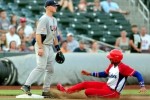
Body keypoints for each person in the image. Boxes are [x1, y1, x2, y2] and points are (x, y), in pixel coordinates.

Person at [57, 49, 147, 98]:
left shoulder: (123, 67)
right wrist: (90, 74)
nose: (109, 58)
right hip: (106, 86)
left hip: (113, 93)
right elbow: (104, 74)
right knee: (85, 84)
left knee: (88, 92)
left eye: (111, 57)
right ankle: (66, 92)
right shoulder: (112, 65)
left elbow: (138, 74)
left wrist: (142, 86)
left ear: (116, 58)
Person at [20, 0, 64, 98]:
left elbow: (55, 36)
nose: (56, 7)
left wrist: (58, 49)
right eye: (54, 5)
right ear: (48, 7)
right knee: (41, 67)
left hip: (49, 46)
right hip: (42, 45)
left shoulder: (54, 20)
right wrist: (40, 48)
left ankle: (45, 91)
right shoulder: (44, 19)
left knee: (51, 69)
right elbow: (38, 34)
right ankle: (26, 85)